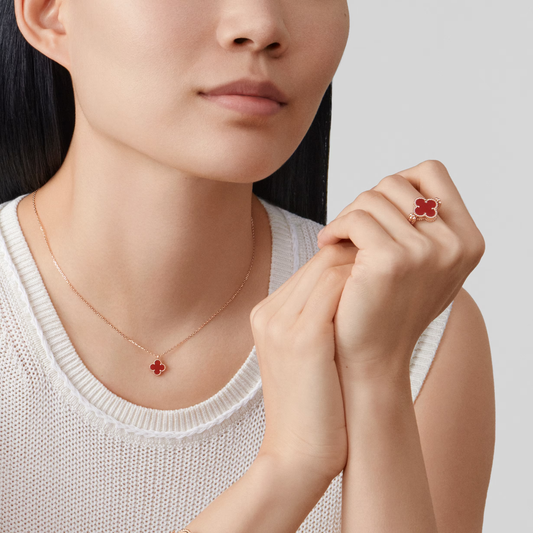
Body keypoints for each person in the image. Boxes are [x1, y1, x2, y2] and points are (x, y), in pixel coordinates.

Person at [0, 0, 495, 532]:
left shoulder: (408, 327)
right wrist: (290, 467)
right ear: (49, 13)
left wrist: (375, 379)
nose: (261, 26)